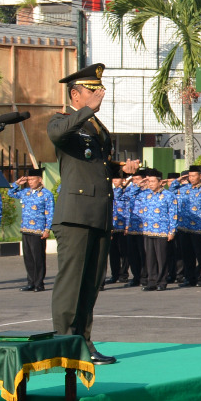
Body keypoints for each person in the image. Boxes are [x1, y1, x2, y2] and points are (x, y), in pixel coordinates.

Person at [48, 62, 141, 364]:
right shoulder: (63, 120)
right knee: (71, 282)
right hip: (75, 214)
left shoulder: (95, 127)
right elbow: (59, 135)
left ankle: (84, 341)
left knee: (91, 283)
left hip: (98, 212)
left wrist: (120, 168)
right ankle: (64, 343)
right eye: (91, 89)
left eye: (98, 89)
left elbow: (95, 163)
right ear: (75, 94)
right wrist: (87, 110)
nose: (98, 93)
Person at [134, 170, 175, 290]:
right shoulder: (146, 194)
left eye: (152, 181)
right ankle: (151, 282)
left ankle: (161, 282)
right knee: (150, 258)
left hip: (162, 231)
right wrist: (139, 183)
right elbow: (131, 194)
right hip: (148, 230)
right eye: (149, 181)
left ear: (160, 182)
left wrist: (172, 231)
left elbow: (173, 214)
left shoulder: (168, 195)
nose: (150, 184)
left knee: (161, 258)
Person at [14, 169, 53, 292]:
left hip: (38, 231)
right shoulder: (26, 192)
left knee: (38, 258)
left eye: (32, 179)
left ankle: (39, 283)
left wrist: (47, 229)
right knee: (28, 258)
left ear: (39, 179)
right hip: (26, 229)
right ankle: (30, 282)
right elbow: (11, 193)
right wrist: (18, 183)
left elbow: (50, 213)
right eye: (29, 180)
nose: (30, 182)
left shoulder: (47, 194)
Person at [176, 163, 201, 286]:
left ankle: (200, 277)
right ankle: (189, 278)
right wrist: (178, 180)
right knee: (187, 255)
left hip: (199, 228)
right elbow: (172, 189)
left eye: (194, 176)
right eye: (189, 176)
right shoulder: (184, 189)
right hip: (184, 227)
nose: (191, 178)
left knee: (200, 254)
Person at [108, 176, 131, 284]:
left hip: (123, 227)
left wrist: (127, 226)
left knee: (124, 253)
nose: (115, 181)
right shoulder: (111, 191)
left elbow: (128, 210)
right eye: (114, 179)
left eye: (117, 179)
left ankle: (124, 275)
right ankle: (114, 275)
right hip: (113, 227)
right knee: (113, 253)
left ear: (123, 180)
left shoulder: (127, 192)